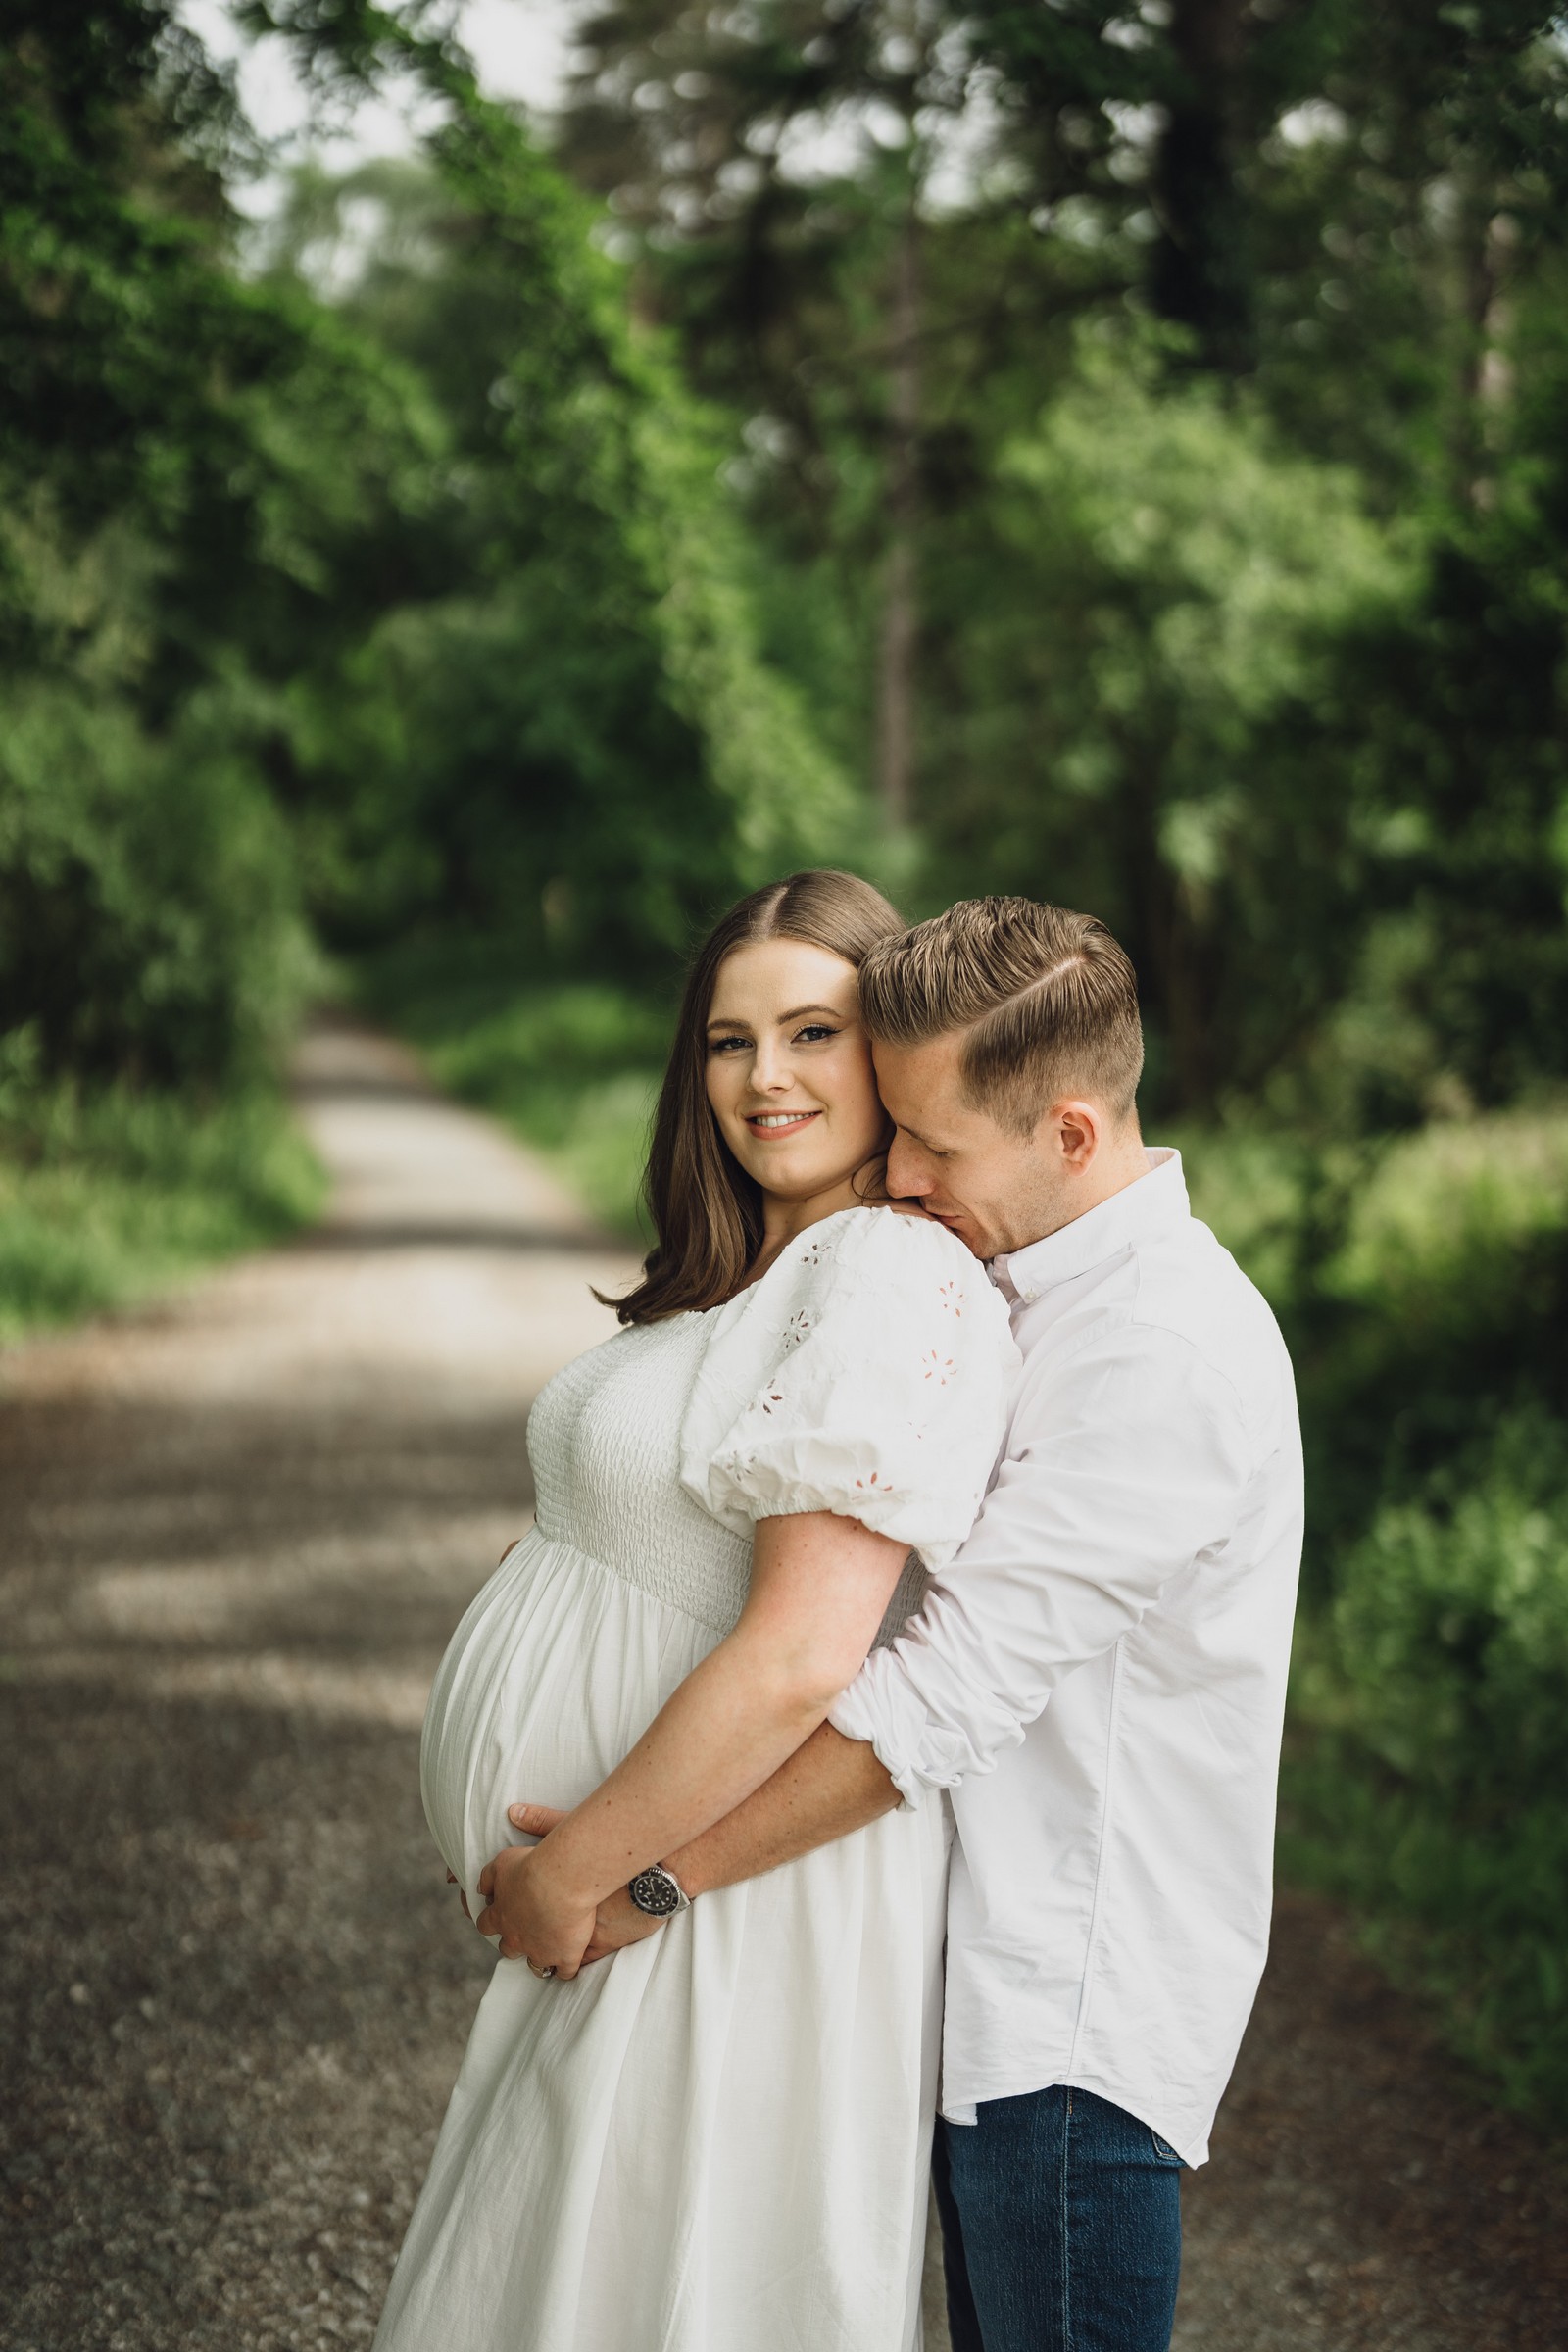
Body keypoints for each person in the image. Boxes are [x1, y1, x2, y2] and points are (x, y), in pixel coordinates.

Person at [498, 895, 1304, 2352]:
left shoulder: (1163, 1351)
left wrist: (638, 1882)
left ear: (1071, 1132)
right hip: (962, 1987)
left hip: (1062, 2029)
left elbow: (936, 1694)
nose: (904, 1173)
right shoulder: (1027, 1283)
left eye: (935, 1144)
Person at [371, 870, 1020, 2352]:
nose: (765, 1077)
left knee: (654, 2291)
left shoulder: (883, 1272)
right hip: (638, 1899)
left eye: (814, 1031)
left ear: (898, 1055)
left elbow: (804, 1653)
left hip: (711, 1904)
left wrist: (577, 1875)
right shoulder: (760, 1281)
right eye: (730, 1041)